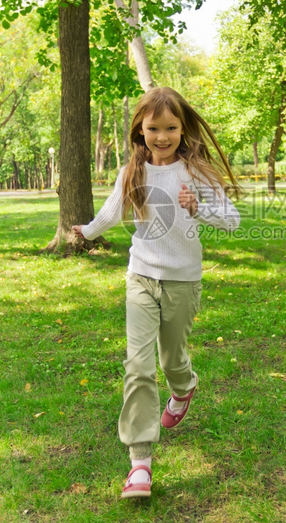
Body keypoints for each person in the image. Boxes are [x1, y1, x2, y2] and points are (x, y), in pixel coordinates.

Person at [72, 87, 240, 498]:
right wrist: (88, 231)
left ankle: (183, 388)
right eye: (153, 128)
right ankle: (140, 462)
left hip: (183, 279)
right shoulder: (134, 170)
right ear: (140, 129)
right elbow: (114, 207)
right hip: (141, 276)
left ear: (183, 129)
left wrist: (200, 209)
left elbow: (233, 221)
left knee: (171, 360)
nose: (161, 136)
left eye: (170, 128)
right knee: (138, 364)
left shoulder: (195, 173)